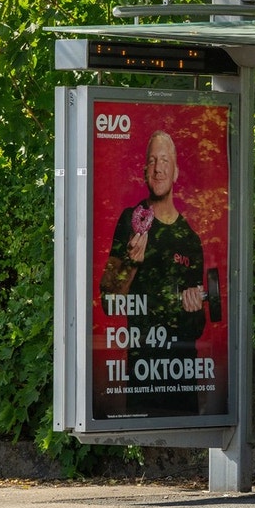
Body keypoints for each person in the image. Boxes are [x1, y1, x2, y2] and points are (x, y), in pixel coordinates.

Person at [96, 130, 212, 418]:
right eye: (152, 161)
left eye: (165, 161)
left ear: (175, 172)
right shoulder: (130, 220)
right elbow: (109, 299)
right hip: (143, 375)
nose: (158, 168)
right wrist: (132, 262)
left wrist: (194, 306)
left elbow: (197, 327)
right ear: (145, 171)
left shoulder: (190, 239)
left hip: (183, 377)